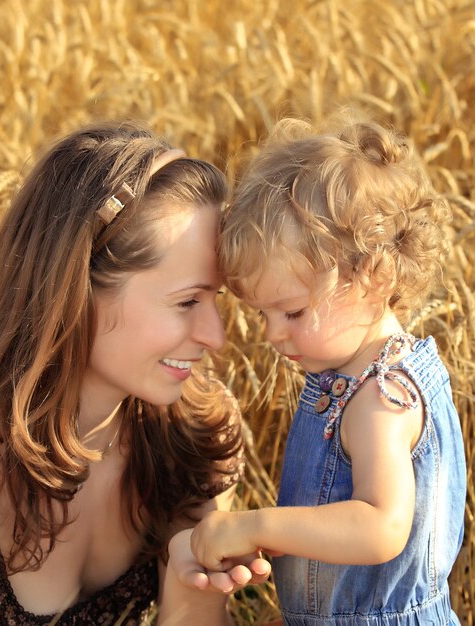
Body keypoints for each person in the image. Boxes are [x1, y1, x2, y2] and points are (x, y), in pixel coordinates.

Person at [0, 121, 269, 626]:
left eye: (216, 299)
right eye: (187, 301)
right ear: (76, 294)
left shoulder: (193, 434)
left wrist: (192, 597)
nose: (216, 336)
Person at [189, 116, 467, 625]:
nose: (272, 334)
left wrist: (258, 527)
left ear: (376, 277)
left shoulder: (381, 402)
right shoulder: (367, 379)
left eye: (291, 312)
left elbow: (381, 527)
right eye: (262, 314)